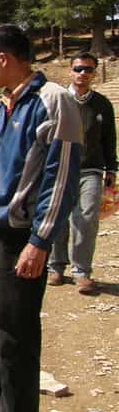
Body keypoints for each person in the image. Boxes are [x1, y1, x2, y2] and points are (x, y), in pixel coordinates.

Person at [0, 24, 82, 412]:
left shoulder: (55, 101)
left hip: (21, 239)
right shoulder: (0, 106)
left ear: (5, 59)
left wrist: (40, 241)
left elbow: (59, 177)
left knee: (14, 337)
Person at [48, 51, 117, 295]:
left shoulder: (102, 104)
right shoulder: (57, 100)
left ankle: (81, 271)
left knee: (86, 218)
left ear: (94, 72)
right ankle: (56, 266)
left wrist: (112, 168)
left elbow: (109, 138)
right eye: (78, 69)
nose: (82, 74)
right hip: (61, 168)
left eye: (88, 69)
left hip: (92, 169)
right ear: (70, 70)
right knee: (58, 218)